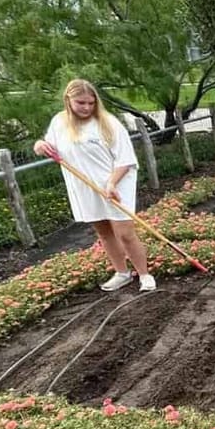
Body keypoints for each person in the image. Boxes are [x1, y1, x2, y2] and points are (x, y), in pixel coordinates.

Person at [34, 79, 156, 292]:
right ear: (68, 100)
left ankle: (145, 275)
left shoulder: (108, 123)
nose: (86, 108)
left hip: (116, 182)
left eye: (91, 103)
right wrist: (40, 145)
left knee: (125, 233)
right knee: (104, 232)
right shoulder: (59, 122)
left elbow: (126, 159)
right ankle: (122, 273)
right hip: (84, 185)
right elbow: (48, 146)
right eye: (81, 103)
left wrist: (112, 183)